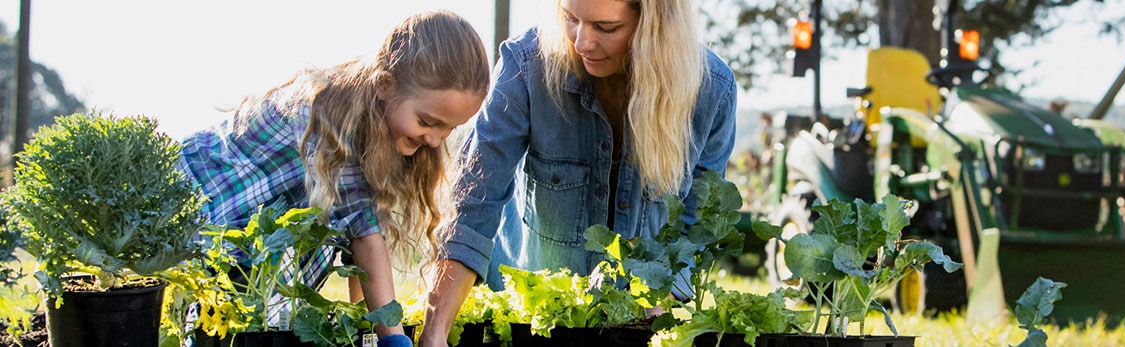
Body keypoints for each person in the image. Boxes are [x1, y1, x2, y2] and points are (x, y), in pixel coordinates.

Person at [420, 0, 736, 344]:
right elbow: (474, 206)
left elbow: (695, 227)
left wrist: (655, 311)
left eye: (606, 28)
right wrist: (434, 334)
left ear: (653, 26)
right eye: (570, 19)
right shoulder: (526, 65)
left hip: (638, 323)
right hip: (532, 325)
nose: (581, 42)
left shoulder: (711, 91)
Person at [176, 10, 489, 346]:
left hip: (247, 270)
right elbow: (365, 239)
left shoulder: (382, 135)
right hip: (203, 220)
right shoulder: (326, 122)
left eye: (449, 128)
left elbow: (360, 256)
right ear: (385, 84)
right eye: (427, 122)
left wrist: (363, 329)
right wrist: (393, 340)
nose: (435, 139)